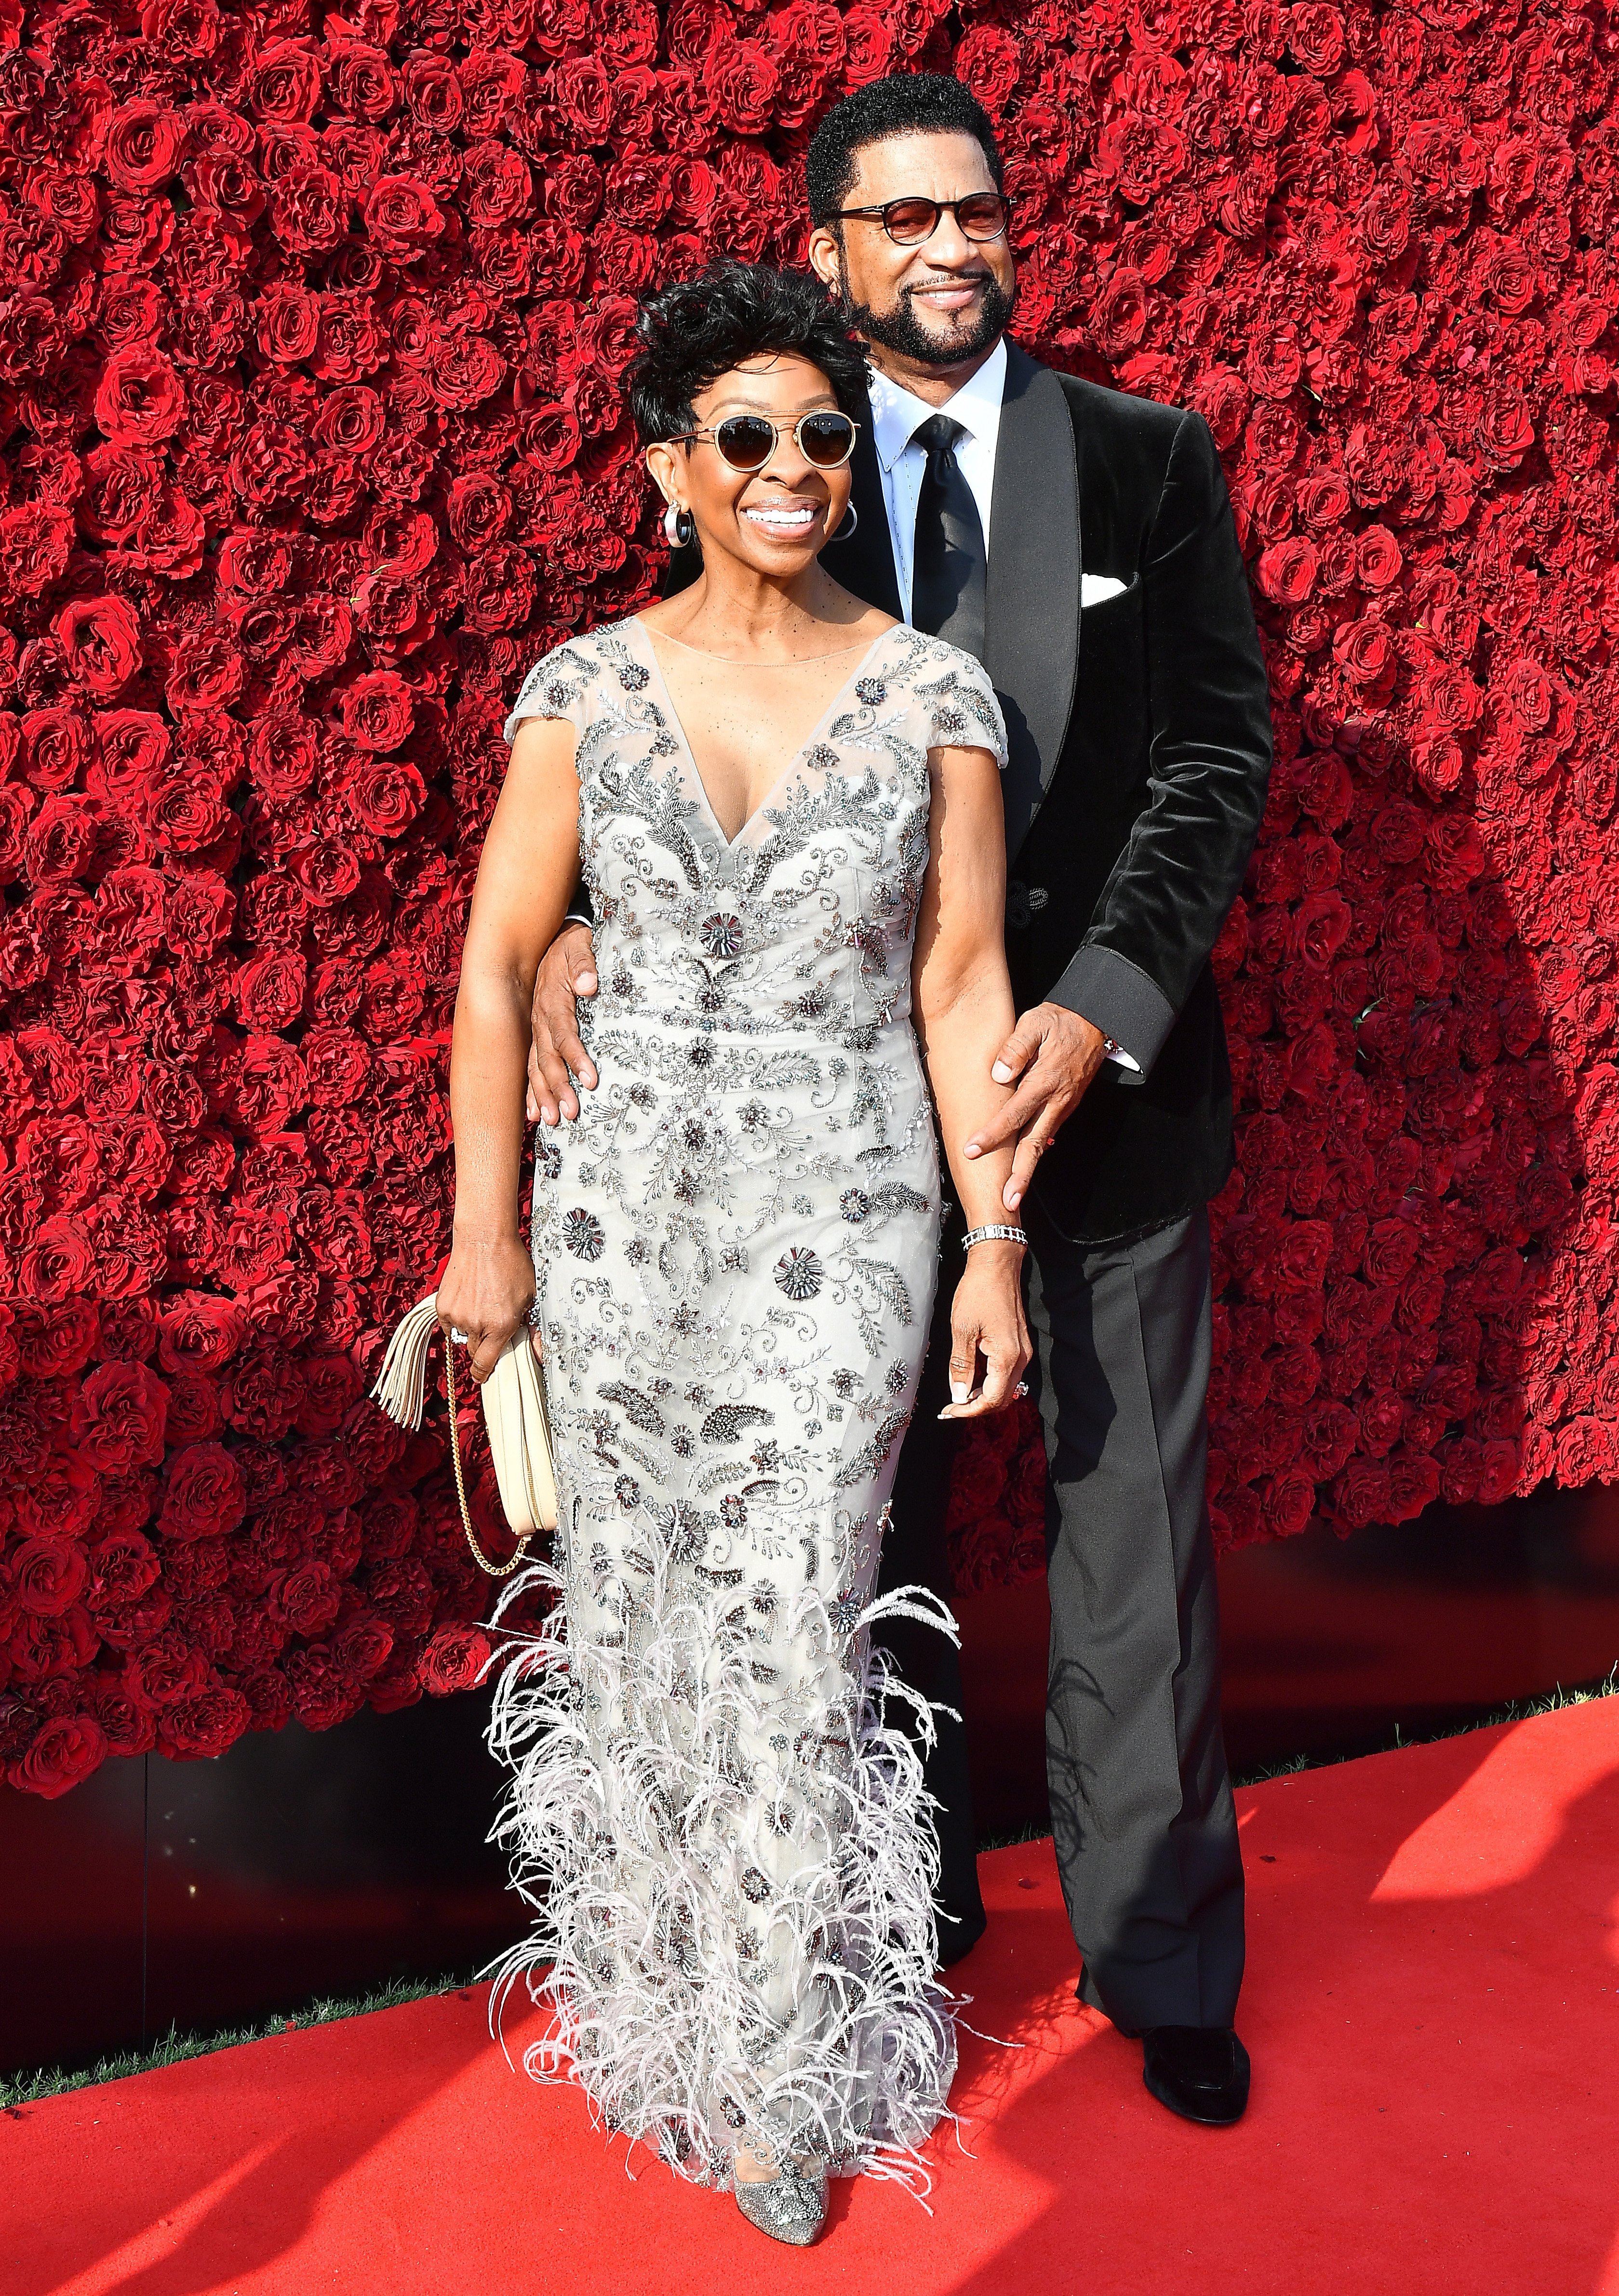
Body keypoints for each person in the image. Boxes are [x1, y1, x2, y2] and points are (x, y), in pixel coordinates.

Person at [527, 75, 1274, 2131]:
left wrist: (1104, 1003)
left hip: (1093, 1113)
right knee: (865, 1549)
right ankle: (899, 1919)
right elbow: (671, 703)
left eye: (982, 212)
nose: (955, 248)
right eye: (908, 220)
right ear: (834, 249)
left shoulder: (1142, 460)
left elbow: (1217, 748)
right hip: (823, 1148)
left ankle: (1162, 1964)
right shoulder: (772, 448)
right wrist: (592, 928)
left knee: (1132, 1552)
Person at [438, 259, 1030, 2246]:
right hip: (616, 1224)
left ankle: (779, 2077)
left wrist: (993, 1242)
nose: (795, 469)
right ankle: (654, 2019)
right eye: (752, 437)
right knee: (640, 1630)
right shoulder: (584, 689)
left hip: (841, 1220)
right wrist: (482, 1248)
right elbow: (499, 972)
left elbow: (960, 981)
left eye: (822, 436)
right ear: (669, 468)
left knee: (790, 1632)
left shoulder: (938, 694)